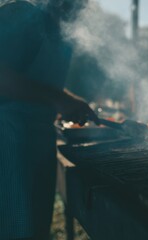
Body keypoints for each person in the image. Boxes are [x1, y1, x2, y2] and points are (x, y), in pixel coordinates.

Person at [0, 0, 98, 239]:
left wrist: (70, 101)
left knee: (35, 229)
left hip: (40, 140)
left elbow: (46, 89)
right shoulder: (21, 15)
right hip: (8, 138)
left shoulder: (63, 39)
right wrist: (59, 98)